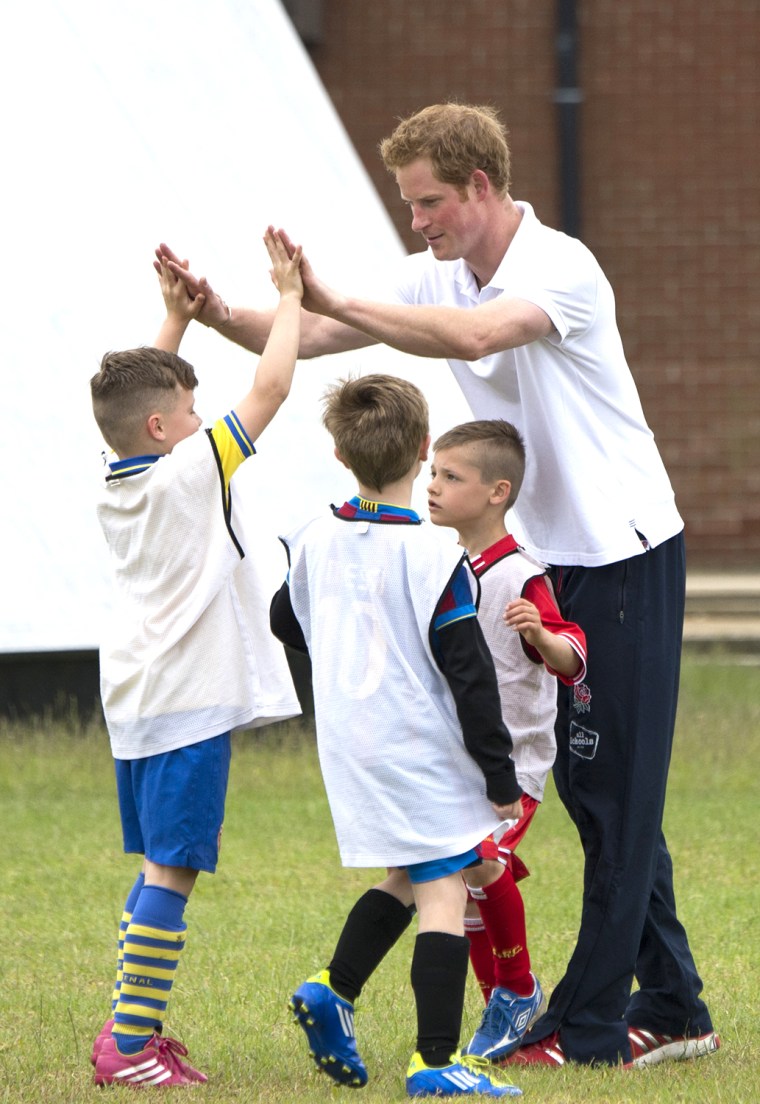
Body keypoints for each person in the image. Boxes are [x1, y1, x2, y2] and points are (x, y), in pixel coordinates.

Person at [155, 102, 718, 1070]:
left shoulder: (560, 268)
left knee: (612, 793)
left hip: (621, 555)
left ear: (481, 188)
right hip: (542, 565)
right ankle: (671, 1004)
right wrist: (218, 311)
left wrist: (330, 292)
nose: (416, 222)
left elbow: (468, 338)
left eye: (427, 203)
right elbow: (316, 332)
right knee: (591, 787)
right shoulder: (436, 274)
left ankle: (586, 1029)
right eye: (409, 204)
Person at [89, 228, 303, 1087]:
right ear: (161, 429)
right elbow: (275, 384)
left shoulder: (114, 475)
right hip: (186, 703)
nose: (196, 419)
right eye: (185, 414)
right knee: (173, 872)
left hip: (137, 700)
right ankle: (129, 1048)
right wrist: (290, 295)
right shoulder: (186, 472)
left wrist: (171, 324)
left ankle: (130, 1030)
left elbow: (145, 398)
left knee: (158, 866)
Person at [269, 374, 523, 1098]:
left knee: (412, 874)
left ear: (341, 455)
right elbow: (471, 679)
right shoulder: (437, 557)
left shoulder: (317, 535)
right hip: (420, 747)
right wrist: (500, 778)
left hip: (352, 743)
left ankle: (334, 988)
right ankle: (435, 1061)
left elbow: (285, 621)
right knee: (443, 893)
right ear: (422, 450)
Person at [426, 418, 586, 1064]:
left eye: (450, 477)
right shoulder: (445, 566)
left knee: (476, 861)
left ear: (497, 492)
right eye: (432, 474)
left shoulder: (522, 576)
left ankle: (517, 989)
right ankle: (506, 1010)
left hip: (512, 764)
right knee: (465, 879)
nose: (432, 487)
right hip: (461, 759)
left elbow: (572, 657)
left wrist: (541, 636)